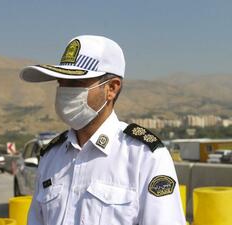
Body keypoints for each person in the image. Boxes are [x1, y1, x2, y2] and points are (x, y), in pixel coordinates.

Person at [19, 35, 186, 225]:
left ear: (111, 88)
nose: (64, 91)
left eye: (75, 84)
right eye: (61, 83)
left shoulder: (144, 156)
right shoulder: (51, 157)